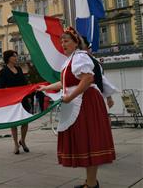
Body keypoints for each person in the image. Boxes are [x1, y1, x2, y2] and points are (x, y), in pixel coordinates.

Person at [38, 27, 115, 188]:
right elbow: (66, 83)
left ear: (75, 43)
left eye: (66, 41)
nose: (63, 44)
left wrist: (70, 97)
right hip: (79, 102)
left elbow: (87, 79)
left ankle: (92, 184)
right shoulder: (70, 60)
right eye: (61, 41)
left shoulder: (80, 57)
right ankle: (90, 182)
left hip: (86, 102)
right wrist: (46, 88)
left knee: (89, 142)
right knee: (86, 142)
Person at [0, 50, 31, 154]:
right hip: (12, 100)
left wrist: (29, 95)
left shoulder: (19, 69)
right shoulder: (3, 71)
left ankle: (23, 141)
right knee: (14, 122)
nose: (16, 58)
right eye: (14, 56)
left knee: (25, 121)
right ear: (9, 58)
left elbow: (24, 83)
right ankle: (16, 144)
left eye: (16, 56)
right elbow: (1, 87)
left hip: (23, 98)